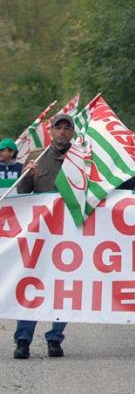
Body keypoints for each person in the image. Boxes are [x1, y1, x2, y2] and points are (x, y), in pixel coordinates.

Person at [13, 114, 75, 359]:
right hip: (40, 234)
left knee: (64, 288)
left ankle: (55, 339)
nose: (62, 132)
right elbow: (22, 192)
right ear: (50, 130)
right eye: (58, 127)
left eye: (66, 128)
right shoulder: (35, 156)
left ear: (72, 132)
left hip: (71, 235)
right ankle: (23, 339)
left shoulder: (81, 158)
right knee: (32, 286)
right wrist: (28, 174)